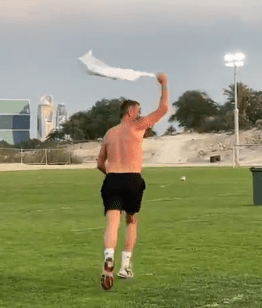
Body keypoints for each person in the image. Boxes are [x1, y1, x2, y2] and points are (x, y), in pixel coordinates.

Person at [97, 73, 169, 290]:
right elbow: (163, 109)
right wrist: (164, 83)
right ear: (130, 112)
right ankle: (125, 266)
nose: (140, 114)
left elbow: (100, 162)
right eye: (138, 110)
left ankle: (109, 257)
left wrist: (112, 176)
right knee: (132, 220)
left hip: (111, 179)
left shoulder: (110, 133)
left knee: (112, 222)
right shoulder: (137, 127)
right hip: (132, 178)